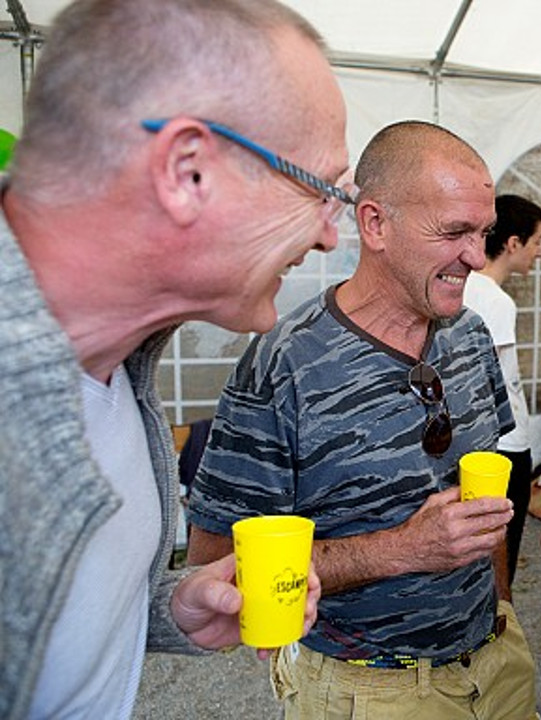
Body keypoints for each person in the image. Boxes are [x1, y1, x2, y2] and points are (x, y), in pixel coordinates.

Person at [0, 0, 349, 716]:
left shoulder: (116, 367)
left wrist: (165, 609)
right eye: (322, 191)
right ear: (188, 170)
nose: (330, 237)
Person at [187, 120, 538, 719]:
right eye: (454, 231)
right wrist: (402, 549)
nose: (476, 258)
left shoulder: (472, 337)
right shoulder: (285, 364)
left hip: (496, 663)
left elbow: (484, 506)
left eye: (483, 233)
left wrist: (501, 610)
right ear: (375, 223)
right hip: (369, 690)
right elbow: (213, 570)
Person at [463, 193, 541, 586]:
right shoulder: (495, 301)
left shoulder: (463, 289)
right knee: (502, 550)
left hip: (479, 446)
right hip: (506, 444)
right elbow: (487, 380)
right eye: (537, 241)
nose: (540, 252)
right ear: (513, 243)